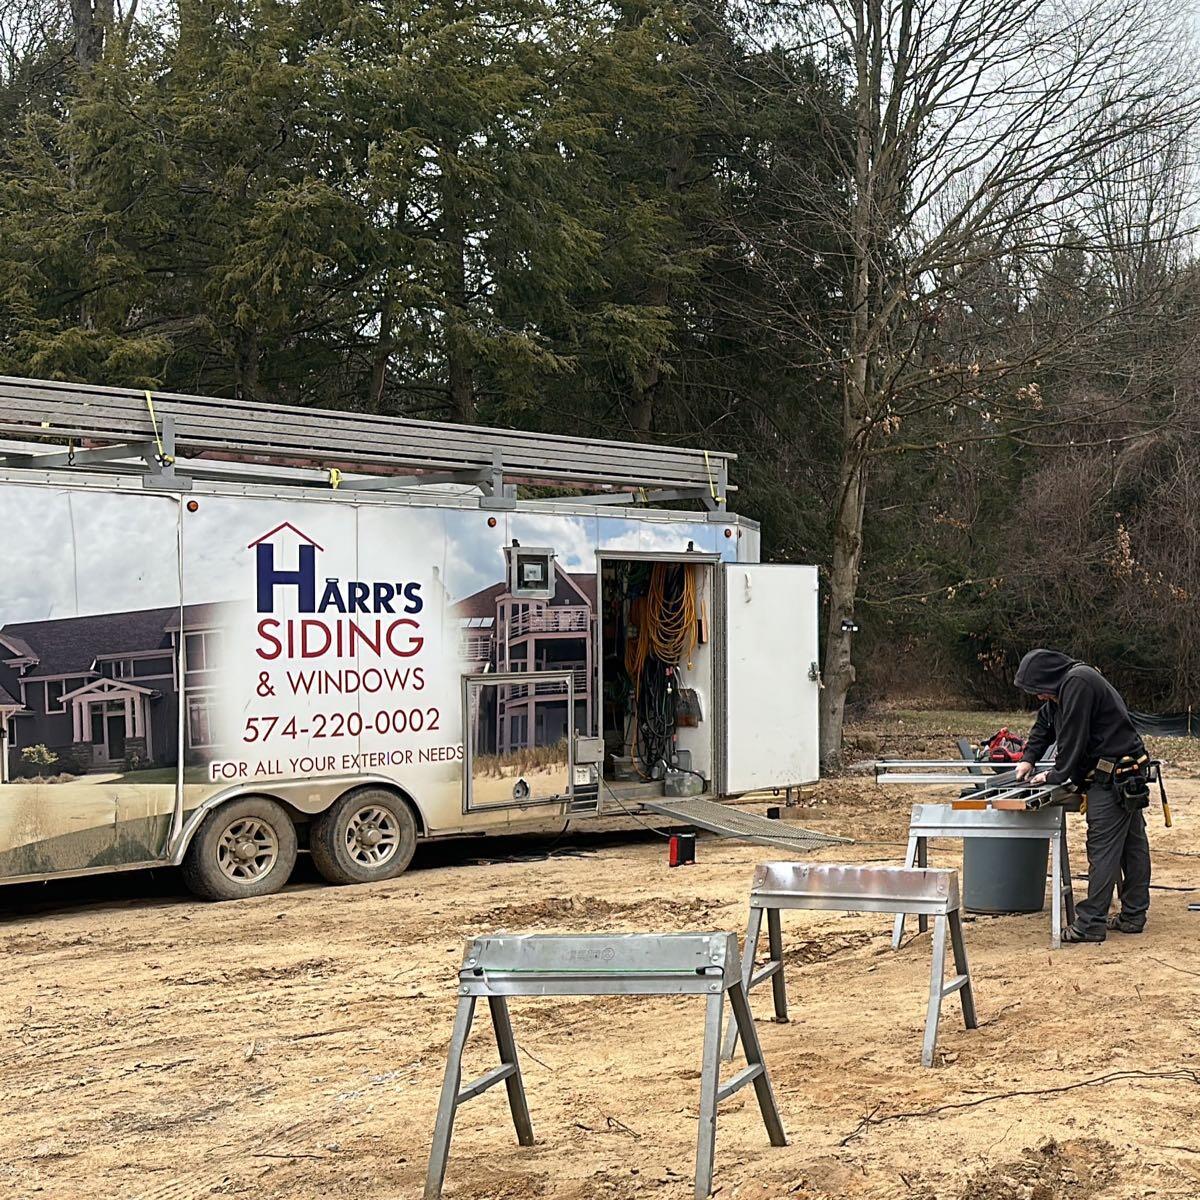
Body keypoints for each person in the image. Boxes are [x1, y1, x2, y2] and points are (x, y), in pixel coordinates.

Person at [1013, 648, 1151, 944]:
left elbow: (1074, 738)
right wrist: (1029, 758)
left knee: (1104, 848)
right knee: (1131, 845)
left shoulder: (1078, 683)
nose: (1038, 697)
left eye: (1038, 690)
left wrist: (1055, 776)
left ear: (1047, 678)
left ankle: (1090, 924)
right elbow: (1045, 726)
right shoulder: (1062, 688)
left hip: (1113, 775)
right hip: (1126, 772)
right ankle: (1133, 915)